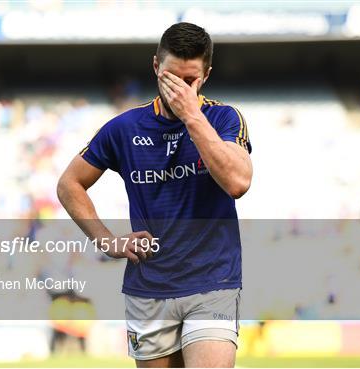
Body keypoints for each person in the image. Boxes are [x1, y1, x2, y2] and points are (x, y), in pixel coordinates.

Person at [57, 22, 252, 368]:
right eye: (170, 77)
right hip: (148, 287)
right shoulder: (124, 128)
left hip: (213, 282)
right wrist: (107, 241)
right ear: (155, 67)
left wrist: (192, 115)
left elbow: (238, 182)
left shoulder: (224, 118)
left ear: (206, 75)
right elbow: (69, 184)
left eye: (189, 80)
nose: (179, 88)